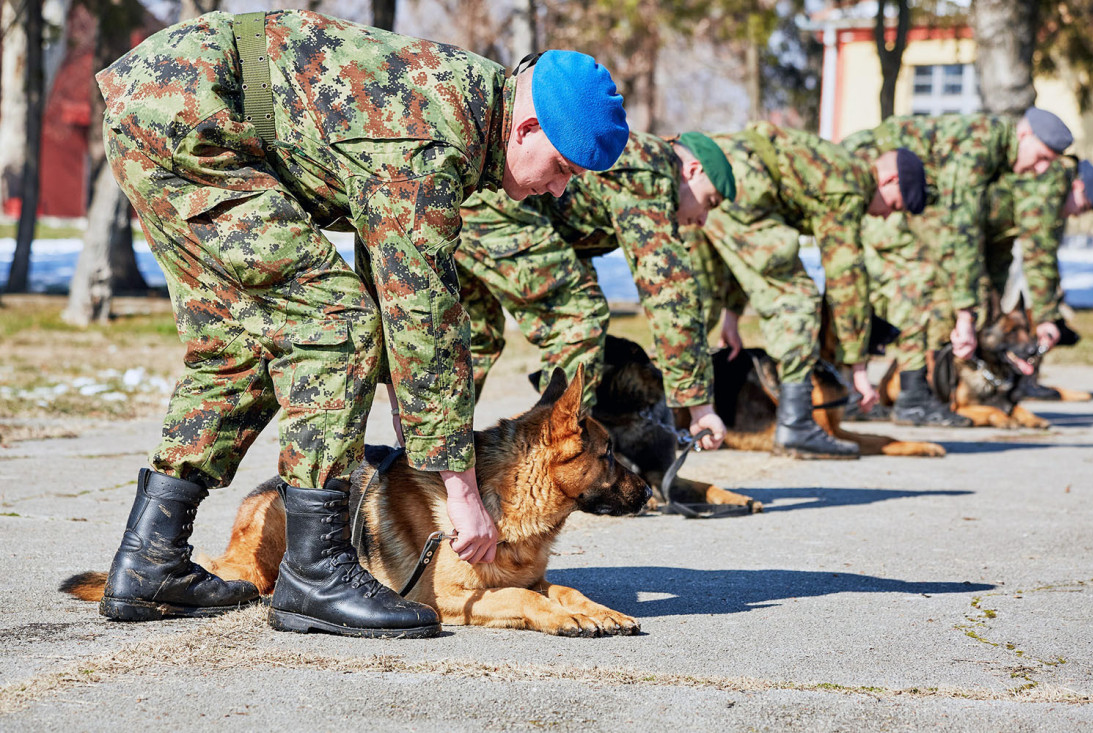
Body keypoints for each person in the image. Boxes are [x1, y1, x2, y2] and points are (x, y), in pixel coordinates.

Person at [95, 9, 628, 638]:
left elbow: (397, 286)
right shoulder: (435, 139)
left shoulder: (458, 114)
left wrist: (423, 432)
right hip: (188, 112)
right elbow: (422, 321)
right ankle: (314, 574)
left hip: (166, 104)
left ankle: (150, 561)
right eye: (563, 168)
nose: (560, 191)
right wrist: (461, 490)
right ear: (528, 127)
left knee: (236, 345)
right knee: (336, 323)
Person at [455, 130, 737, 449]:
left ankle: (427, 463)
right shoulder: (653, 167)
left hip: (472, 199)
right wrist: (699, 404)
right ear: (693, 170)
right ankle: (555, 468)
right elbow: (670, 292)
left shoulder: (633, 162)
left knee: (471, 337)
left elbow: (570, 245)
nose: (702, 220)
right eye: (709, 202)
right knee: (579, 319)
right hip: (500, 210)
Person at [682, 123, 927, 458]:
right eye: (895, 206)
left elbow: (744, 252)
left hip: (707, 184)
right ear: (889, 181)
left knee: (692, 305)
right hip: (739, 189)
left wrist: (731, 316)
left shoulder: (831, 163)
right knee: (797, 296)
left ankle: (657, 412)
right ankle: (796, 426)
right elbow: (846, 279)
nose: (886, 217)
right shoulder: (852, 183)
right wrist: (857, 366)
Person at [846, 108, 1071, 426]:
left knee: (929, 285)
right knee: (917, 279)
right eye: (1042, 156)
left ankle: (902, 394)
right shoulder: (980, 146)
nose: (1042, 168)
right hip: (880, 180)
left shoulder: (996, 153)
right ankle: (900, 396)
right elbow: (961, 229)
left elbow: (983, 245)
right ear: (1024, 135)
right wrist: (966, 313)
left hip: (907, 192)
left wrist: (1043, 314)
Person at [982, 158, 1093, 398]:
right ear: (1077, 186)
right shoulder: (1053, 186)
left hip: (989, 241)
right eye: (1084, 205)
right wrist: (1047, 317)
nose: (1078, 214)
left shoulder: (1055, 179)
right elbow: (1039, 255)